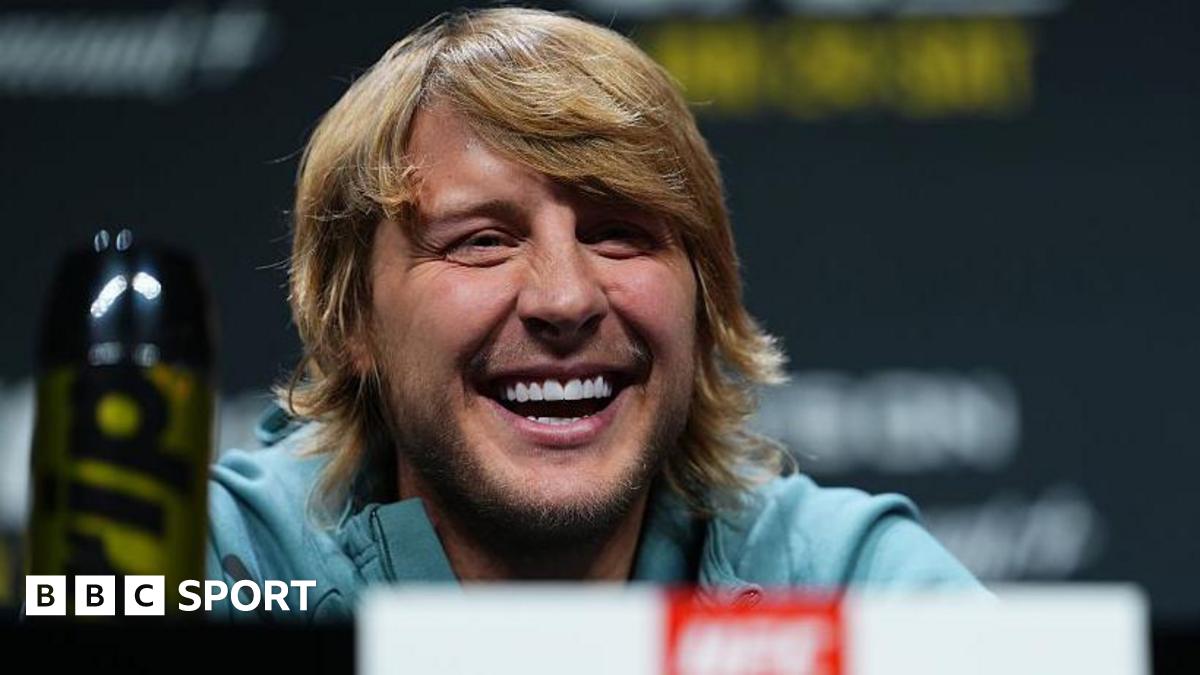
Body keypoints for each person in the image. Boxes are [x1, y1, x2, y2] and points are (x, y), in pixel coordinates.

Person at [206, 7, 982, 622]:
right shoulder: (212, 558)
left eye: (620, 235)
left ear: (704, 298)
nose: (566, 297)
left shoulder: (839, 577)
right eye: (482, 241)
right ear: (353, 323)